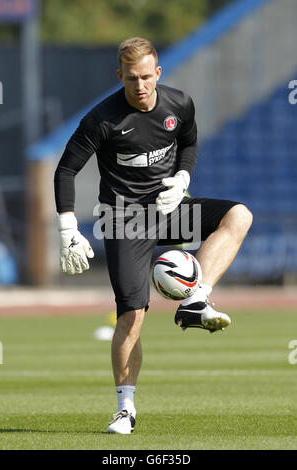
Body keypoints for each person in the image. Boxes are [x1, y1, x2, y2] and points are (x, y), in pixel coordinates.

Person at [54, 37, 253, 435]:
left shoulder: (179, 104)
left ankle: (196, 299)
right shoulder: (102, 119)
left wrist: (182, 178)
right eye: (132, 79)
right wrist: (67, 229)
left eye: (147, 76)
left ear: (158, 73)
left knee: (239, 215)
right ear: (120, 76)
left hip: (169, 208)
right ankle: (125, 409)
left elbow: (190, 142)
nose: (140, 85)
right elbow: (65, 171)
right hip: (124, 220)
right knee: (131, 317)